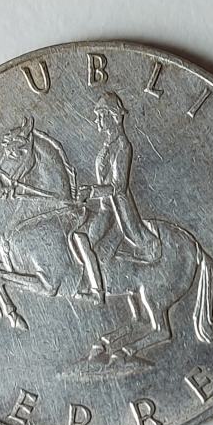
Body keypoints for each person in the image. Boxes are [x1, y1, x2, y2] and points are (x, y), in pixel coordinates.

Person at [72, 92, 160, 304]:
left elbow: (119, 187)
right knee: (77, 234)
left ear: (112, 116)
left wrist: (91, 192)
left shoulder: (122, 146)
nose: (96, 121)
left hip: (118, 213)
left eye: (100, 115)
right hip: (104, 210)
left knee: (82, 238)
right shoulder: (108, 146)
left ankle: (96, 291)